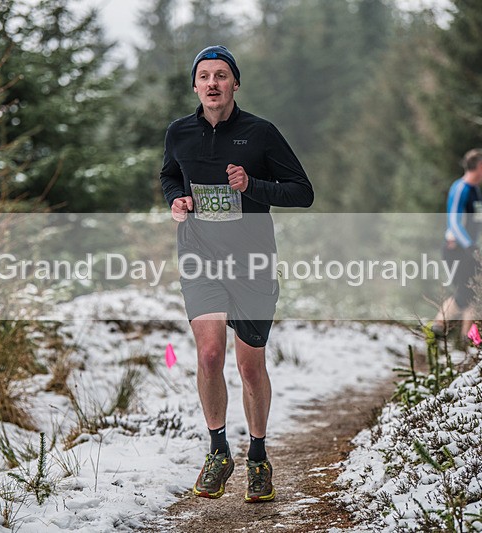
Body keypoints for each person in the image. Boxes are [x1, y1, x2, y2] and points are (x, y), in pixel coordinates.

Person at [159, 45, 313, 503]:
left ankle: (259, 456)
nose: (212, 83)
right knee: (208, 355)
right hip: (199, 257)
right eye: (203, 76)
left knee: (249, 367)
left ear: (235, 83)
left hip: (252, 263)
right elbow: (170, 175)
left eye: (221, 75)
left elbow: (302, 193)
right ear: (194, 86)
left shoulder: (261, 133)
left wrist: (253, 186)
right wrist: (177, 201)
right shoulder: (179, 132)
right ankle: (218, 449)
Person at [433, 148, 482, 339]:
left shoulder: (476, 190)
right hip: (456, 249)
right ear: (480, 166)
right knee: (466, 292)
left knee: (475, 294)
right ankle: (439, 323)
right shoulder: (461, 188)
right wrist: (469, 246)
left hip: (470, 249)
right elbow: (454, 223)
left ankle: (470, 339)